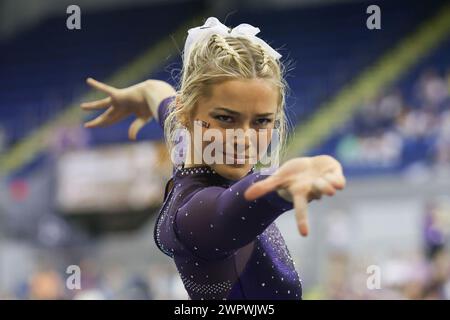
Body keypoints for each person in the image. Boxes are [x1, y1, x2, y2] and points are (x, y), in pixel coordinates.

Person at [80, 17, 346, 300]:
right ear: (187, 112)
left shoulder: (186, 146)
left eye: (261, 121)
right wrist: (278, 186)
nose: (243, 138)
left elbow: (159, 97)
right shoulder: (194, 217)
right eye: (225, 118)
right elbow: (231, 207)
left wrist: (143, 92)